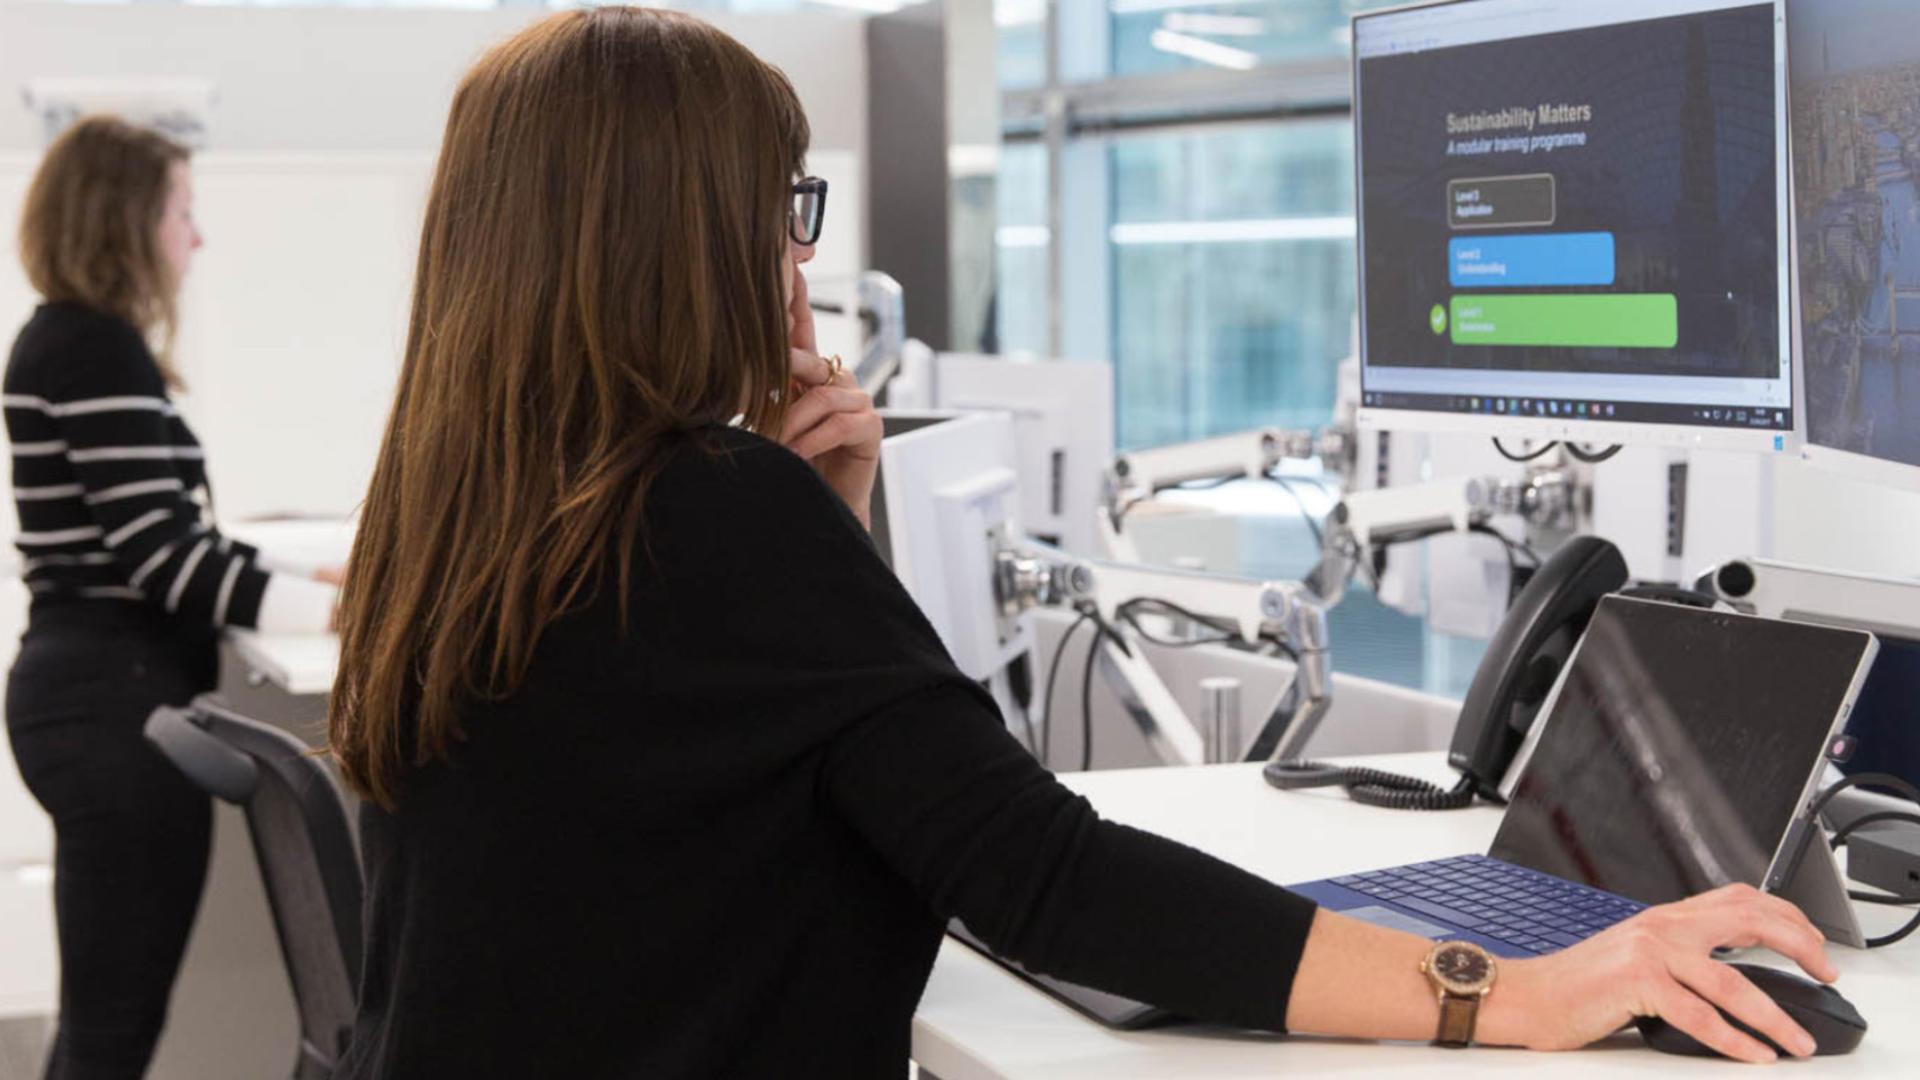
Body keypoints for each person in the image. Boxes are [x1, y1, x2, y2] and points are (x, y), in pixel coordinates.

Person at [327, 8, 1837, 1076]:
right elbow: (1046, 878)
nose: (799, 253)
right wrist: (1511, 992)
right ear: (679, 231)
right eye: (778, 208)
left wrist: (833, 531)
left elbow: (796, 780)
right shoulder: (709, 508)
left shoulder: (473, 513)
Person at [5, 116, 340, 1079]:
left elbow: (167, 536)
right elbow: (164, 561)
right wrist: (341, 614)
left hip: (92, 700)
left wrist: (322, 578)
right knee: (114, 1032)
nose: (195, 236)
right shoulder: (91, 347)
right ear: (123, 220)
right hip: (113, 706)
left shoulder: (75, 343)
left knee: (104, 1023)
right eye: (181, 211)